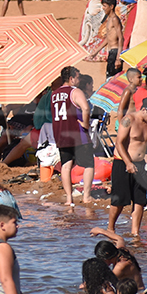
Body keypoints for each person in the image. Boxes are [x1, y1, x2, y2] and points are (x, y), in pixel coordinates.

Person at [110, 96, 147, 236]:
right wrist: (128, 163)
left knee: (140, 199)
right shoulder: (128, 120)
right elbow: (119, 143)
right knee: (119, 200)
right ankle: (111, 228)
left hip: (140, 164)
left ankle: (135, 233)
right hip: (123, 162)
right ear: (143, 109)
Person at [44, 67, 94, 207]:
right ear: (71, 79)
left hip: (61, 133)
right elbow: (85, 108)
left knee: (66, 166)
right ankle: (86, 196)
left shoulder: (54, 94)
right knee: (89, 164)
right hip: (77, 133)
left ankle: (69, 199)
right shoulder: (75, 91)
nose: (79, 80)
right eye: (77, 77)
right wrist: (86, 124)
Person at [100, 0, 123, 78]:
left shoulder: (114, 19)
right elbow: (108, 38)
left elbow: (120, 38)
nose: (103, 8)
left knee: (113, 79)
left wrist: (118, 58)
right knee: (109, 77)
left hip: (115, 53)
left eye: (105, 6)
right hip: (111, 52)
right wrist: (95, 52)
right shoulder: (109, 19)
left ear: (111, 6)